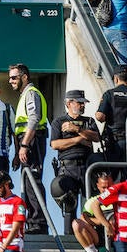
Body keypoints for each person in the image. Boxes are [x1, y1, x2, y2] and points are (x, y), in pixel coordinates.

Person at [48, 90, 100, 229]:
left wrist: (76, 129)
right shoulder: (59, 122)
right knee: (69, 205)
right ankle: (69, 237)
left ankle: (88, 235)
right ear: (69, 103)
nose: (83, 106)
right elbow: (55, 144)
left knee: (88, 205)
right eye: (79, 103)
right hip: (67, 168)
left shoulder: (89, 121)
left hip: (88, 167)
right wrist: (80, 139)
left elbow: (95, 137)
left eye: (83, 103)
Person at [8, 63, 48, 231]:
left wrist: (24, 145)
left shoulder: (31, 93)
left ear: (24, 77)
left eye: (14, 77)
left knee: (33, 180)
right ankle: (33, 221)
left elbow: (34, 118)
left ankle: (38, 223)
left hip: (32, 141)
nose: (10, 81)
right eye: (9, 78)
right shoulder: (24, 95)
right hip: (27, 141)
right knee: (27, 181)